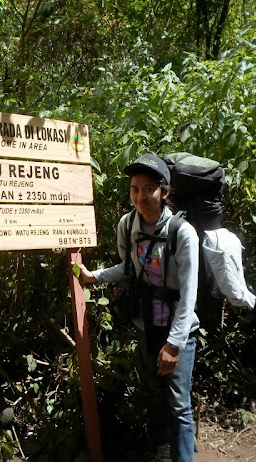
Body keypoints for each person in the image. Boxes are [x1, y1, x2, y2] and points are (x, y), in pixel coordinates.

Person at [75, 152, 200, 462]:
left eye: (148, 188)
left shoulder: (182, 233)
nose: (140, 196)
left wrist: (173, 345)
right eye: (134, 189)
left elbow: (189, 295)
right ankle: (160, 454)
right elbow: (128, 269)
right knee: (155, 394)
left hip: (177, 330)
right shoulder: (127, 224)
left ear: (165, 192)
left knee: (179, 404)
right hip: (147, 324)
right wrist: (96, 277)